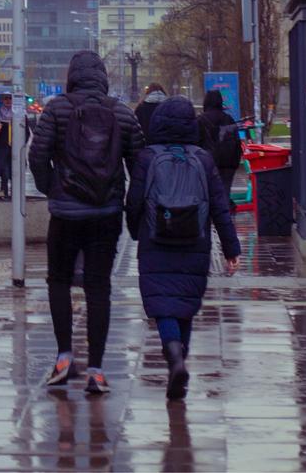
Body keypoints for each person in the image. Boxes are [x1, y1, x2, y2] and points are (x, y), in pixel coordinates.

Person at [28, 50, 145, 395]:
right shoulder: (122, 113)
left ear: (72, 75)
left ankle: (64, 356)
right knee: (99, 288)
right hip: (106, 216)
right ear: (103, 76)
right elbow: (139, 166)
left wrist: (52, 188)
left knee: (58, 281)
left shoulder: (56, 109)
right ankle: (96, 369)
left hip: (65, 215)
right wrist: (126, 205)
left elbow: (37, 155)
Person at [126, 95, 241, 399]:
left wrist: (135, 231)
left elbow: (134, 200)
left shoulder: (147, 158)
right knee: (185, 305)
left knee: (162, 304)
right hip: (195, 241)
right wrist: (231, 249)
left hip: (156, 239)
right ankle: (181, 360)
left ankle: (174, 356)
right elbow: (219, 207)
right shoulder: (203, 159)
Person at [198, 89, 242, 208]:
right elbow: (237, 141)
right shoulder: (228, 119)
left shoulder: (201, 120)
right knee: (225, 193)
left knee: (207, 194)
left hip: (209, 162)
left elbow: (197, 142)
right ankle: (226, 220)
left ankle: (211, 220)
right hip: (229, 163)